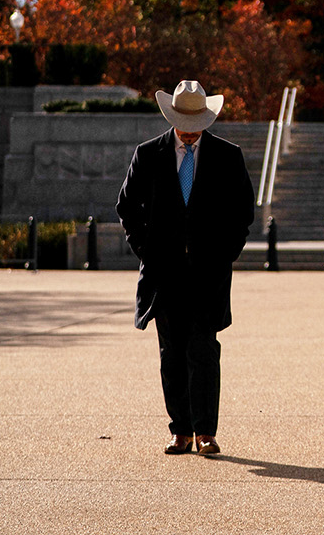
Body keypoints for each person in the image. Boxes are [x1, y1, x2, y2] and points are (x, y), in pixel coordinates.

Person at [117, 79, 255, 456]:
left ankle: (205, 430)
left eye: (197, 124)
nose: (191, 132)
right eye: (184, 124)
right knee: (172, 353)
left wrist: (226, 254)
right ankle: (180, 430)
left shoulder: (228, 156)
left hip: (209, 274)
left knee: (204, 350)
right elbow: (126, 206)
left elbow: (243, 211)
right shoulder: (148, 154)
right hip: (164, 275)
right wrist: (146, 250)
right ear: (172, 118)